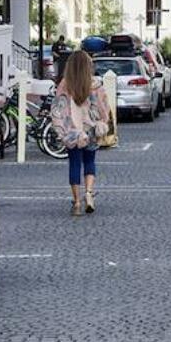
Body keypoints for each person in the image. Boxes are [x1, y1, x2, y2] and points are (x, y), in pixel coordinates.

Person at [51, 48, 114, 216]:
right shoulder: (95, 85)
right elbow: (104, 108)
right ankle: (89, 193)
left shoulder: (64, 84)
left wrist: (62, 129)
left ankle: (77, 202)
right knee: (90, 162)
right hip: (91, 130)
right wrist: (102, 122)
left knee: (74, 164)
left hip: (72, 132)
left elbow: (58, 109)